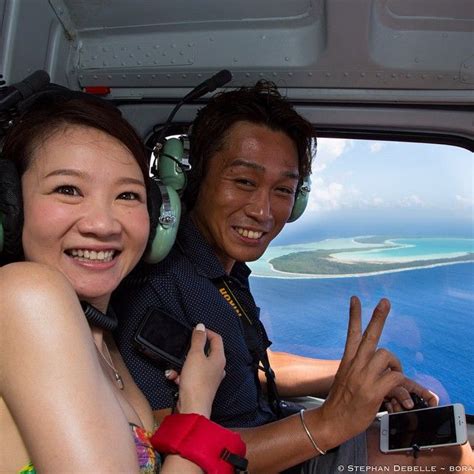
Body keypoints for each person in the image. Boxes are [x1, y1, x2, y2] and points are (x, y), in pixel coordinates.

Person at [113, 81, 473, 472]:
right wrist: (327, 424)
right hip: (246, 459)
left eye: (283, 189)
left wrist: (346, 378)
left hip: (269, 425)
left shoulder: (222, 269)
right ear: (196, 178)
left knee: (441, 421)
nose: (263, 212)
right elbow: (162, 441)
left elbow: (248, 368)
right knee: (452, 457)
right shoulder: (156, 286)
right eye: (245, 182)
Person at [0, 91, 247, 473]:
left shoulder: (103, 339)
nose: (103, 224)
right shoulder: (27, 293)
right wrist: (198, 406)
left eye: (128, 195)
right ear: (11, 208)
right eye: (68, 189)